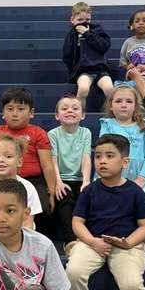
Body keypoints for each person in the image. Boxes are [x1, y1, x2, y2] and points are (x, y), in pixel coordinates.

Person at [67, 134, 145, 290]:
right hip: (92, 242)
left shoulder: (134, 192)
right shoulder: (89, 191)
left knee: (132, 283)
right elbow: (77, 222)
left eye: (109, 156)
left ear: (124, 162)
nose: (102, 161)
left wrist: (129, 242)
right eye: (98, 156)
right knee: (73, 272)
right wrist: (92, 242)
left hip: (126, 245)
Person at [0, 86, 56, 231]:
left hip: (34, 181)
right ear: (3, 112)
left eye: (20, 109)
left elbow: (47, 165)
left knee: (43, 207)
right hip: (4, 178)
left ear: (31, 113)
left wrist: (51, 192)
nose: (15, 114)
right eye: (10, 109)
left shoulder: (38, 133)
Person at [98, 86, 145, 205]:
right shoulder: (107, 124)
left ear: (136, 106)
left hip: (141, 174)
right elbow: (104, 152)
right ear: (111, 105)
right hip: (113, 174)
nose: (124, 105)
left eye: (129, 101)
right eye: (118, 101)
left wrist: (141, 179)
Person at [49, 96, 92, 253]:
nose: (70, 111)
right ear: (57, 115)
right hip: (61, 179)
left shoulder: (85, 133)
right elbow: (53, 160)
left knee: (86, 198)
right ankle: (71, 241)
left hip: (80, 178)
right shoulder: (53, 134)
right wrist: (58, 182)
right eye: (65, 108)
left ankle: (85, 237)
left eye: (75, 108)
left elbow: (86, 157)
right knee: (64, 198)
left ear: (83, 115)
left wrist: (86, 181)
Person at [0, 134, 42, 229]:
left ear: (19, 162)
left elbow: (27, 224)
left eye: (8, 156)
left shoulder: (28, 188)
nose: (0, 160)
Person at [61, 0, 113, 111]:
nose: (84, 23)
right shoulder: (71, 35)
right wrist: (73, 71)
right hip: (83, 71)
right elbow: (67, 56)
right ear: (72, 20)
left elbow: (104, 46)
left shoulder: (97, 30)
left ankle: (112, 115)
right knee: (83, 89)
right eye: (80, 20)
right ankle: (80, 113)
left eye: (87, 20)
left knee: (109, 88)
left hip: (100, 69)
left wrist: (87, 33)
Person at [118, 9, 145, 112]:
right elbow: (123, 63)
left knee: (141, 79)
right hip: (133, 72)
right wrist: (128, 66)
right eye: (137, 21)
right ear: (132, 25)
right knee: (134, 73)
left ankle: (139, 104)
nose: (141, 23)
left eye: (144, 20)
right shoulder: (128, 42)